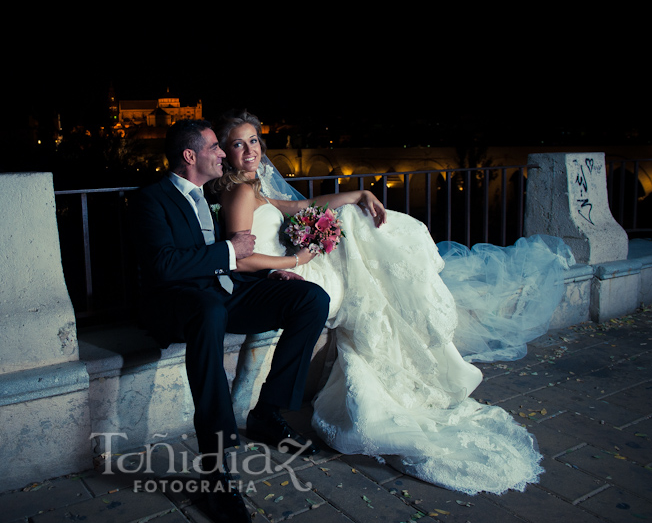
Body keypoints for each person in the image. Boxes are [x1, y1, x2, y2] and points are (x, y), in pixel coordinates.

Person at [211, 109, 554, 495]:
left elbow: (301, 206)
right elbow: (239, 255)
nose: (250, 150)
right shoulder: (240, 191)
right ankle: (415, 285)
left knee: (353, 224)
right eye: (238, 143)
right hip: (285, 271)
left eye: (253, 140)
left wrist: (357, 194)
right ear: (224, 151)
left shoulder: (252, 187)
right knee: (361, 243)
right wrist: (294, 260)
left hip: (289, 268)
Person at [131, 119, 330, 522]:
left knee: (310, 298)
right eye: (214, 148)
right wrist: (228, 249)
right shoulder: (150, 199)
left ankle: (268, 414)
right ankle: (217, 472)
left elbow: (227, 260)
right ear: (190, 156)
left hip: (226, 289)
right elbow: (163, 265)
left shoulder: (209, 194)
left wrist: (269, 272)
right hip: (181, 302)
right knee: (209, 311)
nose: (223, 153)